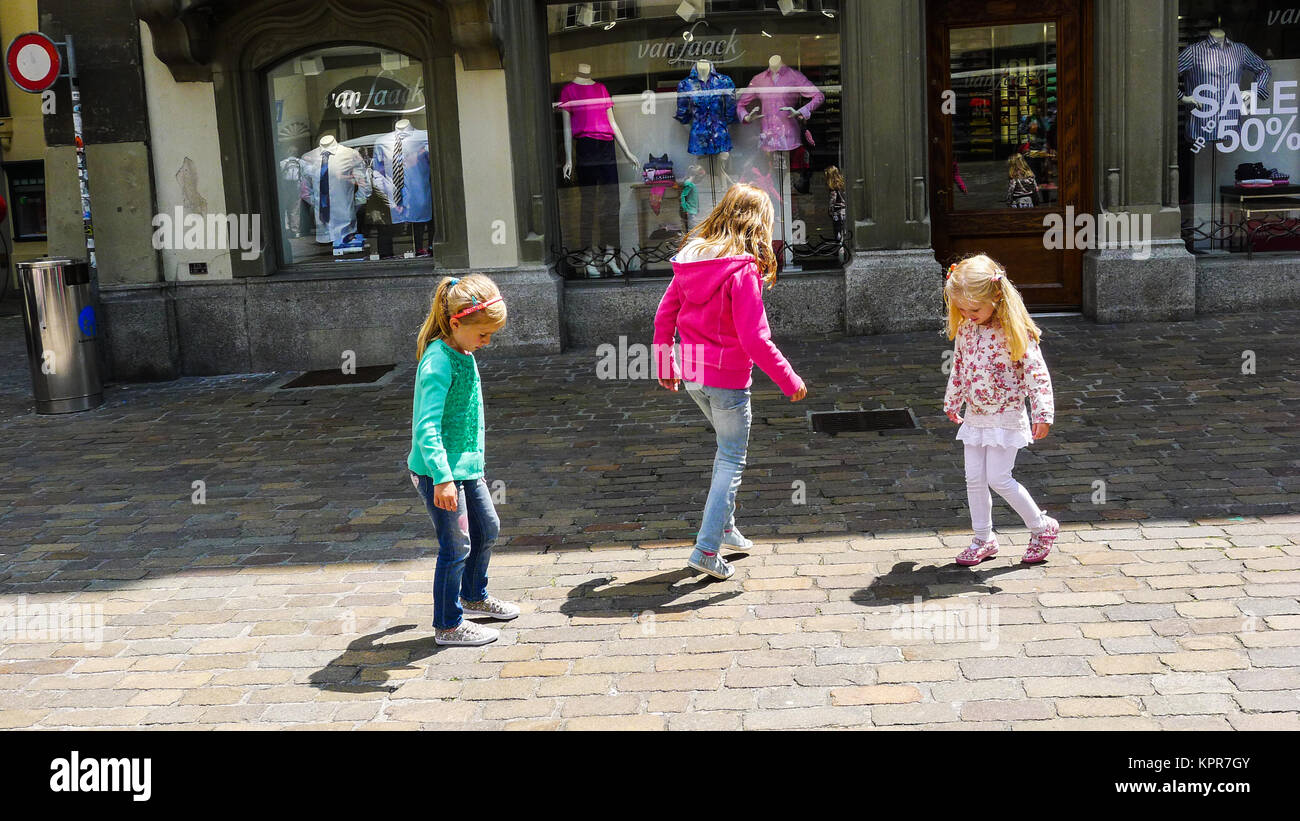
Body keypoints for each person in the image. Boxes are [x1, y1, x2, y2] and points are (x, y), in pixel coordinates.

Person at [653, 183, 808, 580]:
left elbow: (664, 315)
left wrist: (664, 362)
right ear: (758, 224)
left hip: (692, 374)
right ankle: (706, 548)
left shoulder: (691, 261)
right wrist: (789, 379)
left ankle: (725, 529)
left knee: (726, 450)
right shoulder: (742, 271)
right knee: (731, 457)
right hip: (727, 380)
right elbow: (754, 338)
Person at [408, 274, 515, 646]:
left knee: (488, 529)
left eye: (490, 335)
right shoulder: (438, 362)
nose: (486, 342)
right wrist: (441, 478)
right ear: (456, 323)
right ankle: (448, 624)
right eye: (483, 334)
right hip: (440, 473)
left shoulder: (463, 352)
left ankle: (473, 595)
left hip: (466, 468)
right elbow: (427, 427)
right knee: (455, 547)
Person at [942, 254, 1059, 566]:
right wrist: (953, 399)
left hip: (1006, 414)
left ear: (995, 295)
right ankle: (983, 537)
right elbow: (960, 366)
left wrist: (1043, 412)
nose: (968, 314)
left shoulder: (1013, 330)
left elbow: (1037, 373)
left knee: (998, 477)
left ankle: (1041, 526)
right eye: (961, 309)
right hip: (977, 414)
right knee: (973, 477)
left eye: (974, 309)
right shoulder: (967, 329)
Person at [825, 165, 847, 241]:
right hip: (845, 212)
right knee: (844, 234)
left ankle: (840, 251)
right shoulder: (843, 184)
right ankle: (843, 250)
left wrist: (830, 211)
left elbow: (832, 201)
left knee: (838, 235)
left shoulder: (833, 187)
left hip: (838, 213)